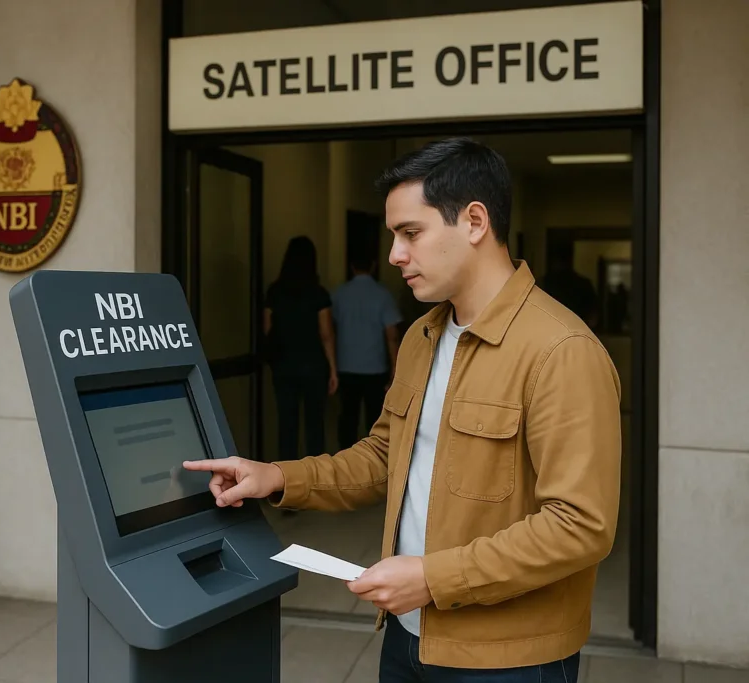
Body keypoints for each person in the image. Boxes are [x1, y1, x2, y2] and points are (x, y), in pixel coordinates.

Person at [185, 138, 622, 682]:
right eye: (395, 236)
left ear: (475, 222)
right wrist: (276, 476)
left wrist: (435, 578)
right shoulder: (422, 335)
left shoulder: (561, 351)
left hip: (508, 660)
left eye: (410, 233)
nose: (395, 254)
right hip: (407, 636)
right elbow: (386, 456)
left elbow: (580, 527)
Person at [263, 236, 338, 461]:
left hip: (283, 366)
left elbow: (267, 329)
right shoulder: (319, 294)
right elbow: (326, 334)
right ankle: (315, 480)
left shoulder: (274, 292)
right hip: (313, 366)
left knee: (287, 425)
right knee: (314, 425)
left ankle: (284, 480)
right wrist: (333, 369)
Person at [331, 248, 402, 449]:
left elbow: (330, 330)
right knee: (375, 422)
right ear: (373, 266)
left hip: (346, 366)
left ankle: (344, 465)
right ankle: (374, 466)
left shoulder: (338, 294)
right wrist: (395, 370)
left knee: (347, 419)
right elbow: (392, 336)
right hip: (375, 368)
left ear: (352, 267)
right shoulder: (383, 295)